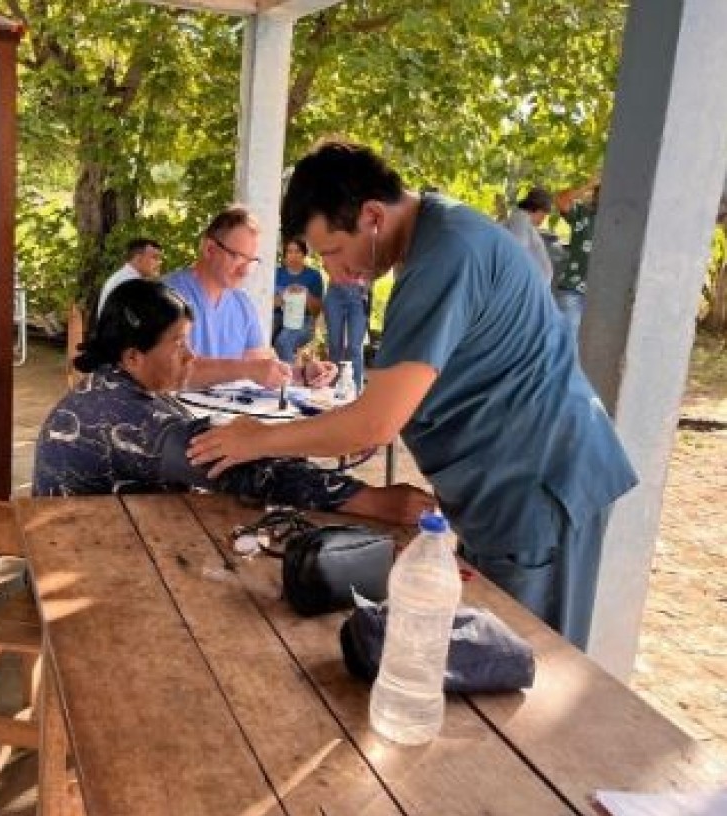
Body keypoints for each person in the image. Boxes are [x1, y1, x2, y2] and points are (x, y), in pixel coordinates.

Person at [188, 140, 638, 651]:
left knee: (524, 661)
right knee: (492, 651)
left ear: (373, 215)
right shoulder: (436, 241)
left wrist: (256, 439)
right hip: (506, 490)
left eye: (333, 252)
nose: (335, 272)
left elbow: (374, 423)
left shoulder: (445, 254)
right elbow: (411, 395)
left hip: (540, 487)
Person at [33, 278, 432, 527]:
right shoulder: (124, 413)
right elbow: (240, 469)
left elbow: (236, 450)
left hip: (96, 547)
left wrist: (265, 441)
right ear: (133, 356)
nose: (190, 356)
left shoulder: (114, 386)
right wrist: (369, 500)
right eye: (177, 344)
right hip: (84, 568)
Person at [164, 205, 335, 389]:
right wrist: (246, 369)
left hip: (226, 413)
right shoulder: (167, 295)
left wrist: (302, 374)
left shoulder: (242, 303)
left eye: (251, 261)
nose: (245, 270)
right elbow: (169, 370)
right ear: (209, 249)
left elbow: (260, 367)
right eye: (238, 257)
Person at [554, 176, 600, 341]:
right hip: (573, 291)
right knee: (565, 344)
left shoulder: (624, 222)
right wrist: (589, 184)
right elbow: (560, 200)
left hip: (604, 297)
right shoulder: (582, 214)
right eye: (599, 191)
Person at [272, 237, 324, 363]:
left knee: (283, 342)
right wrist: (284, 295)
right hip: (278, 316)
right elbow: (268, 304)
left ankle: (287, 378)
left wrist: (306, 294)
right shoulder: (276, 274)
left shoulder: (314, 276)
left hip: (304, 321)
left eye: (297, 252)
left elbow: (316, 312)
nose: (293, 256)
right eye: (289, 252)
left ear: (304, 254)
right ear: (285, 255)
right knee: (260, 335)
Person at [95, 237, 163, 321]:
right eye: (155, 257)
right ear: (138, 258)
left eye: (160, 259)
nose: (159, 263)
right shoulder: (130, 283)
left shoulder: (123, 277)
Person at [323, 280, 370, 392]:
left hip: (359, 294)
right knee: (334, 346)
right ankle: (332, 391)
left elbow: (378, 267)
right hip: (335, 291)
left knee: (354, 347)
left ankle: (356, 393)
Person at [503, 187, 553, 287]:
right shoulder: (521, 219)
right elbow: (518, 251)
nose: (543, 219)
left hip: (531, 286)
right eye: (543, 214)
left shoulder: (524, 221)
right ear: (537, 209)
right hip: (525, 286)